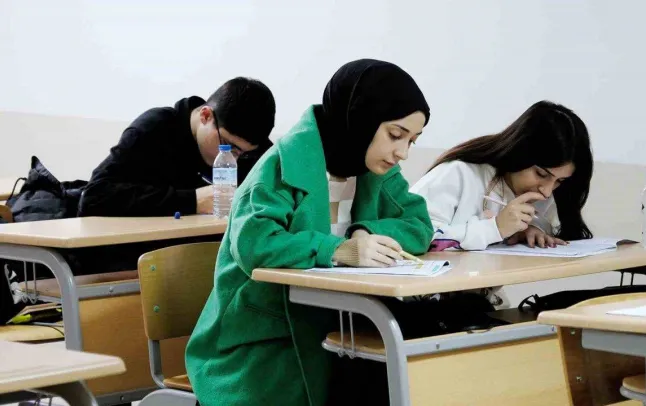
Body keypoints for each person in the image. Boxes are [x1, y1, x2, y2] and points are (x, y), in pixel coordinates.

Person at [185, 59, 432, 406]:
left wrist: (364, 231)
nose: (402, 152)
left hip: (340, 329)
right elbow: (254, 244)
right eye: (395, 135)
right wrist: (338, 250)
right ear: (360, 117)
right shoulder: (282, 164)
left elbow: (419, 224)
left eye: (412, 141)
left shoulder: (375, 169)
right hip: (265, 339)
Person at [410, 100, 594, 253]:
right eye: (541, 174)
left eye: (560, 181)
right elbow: (413, 236)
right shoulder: (459, 174)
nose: (546, 192)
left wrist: (528, 232)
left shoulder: (545, 196)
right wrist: (495, 228)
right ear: (520, 152)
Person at [78, 77, 276, 217]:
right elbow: (94, 197)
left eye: (243, 153)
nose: (233, 158)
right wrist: (193, 200)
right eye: (227, 146)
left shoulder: (251, 147)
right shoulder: (154, 128)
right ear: (205, 116)